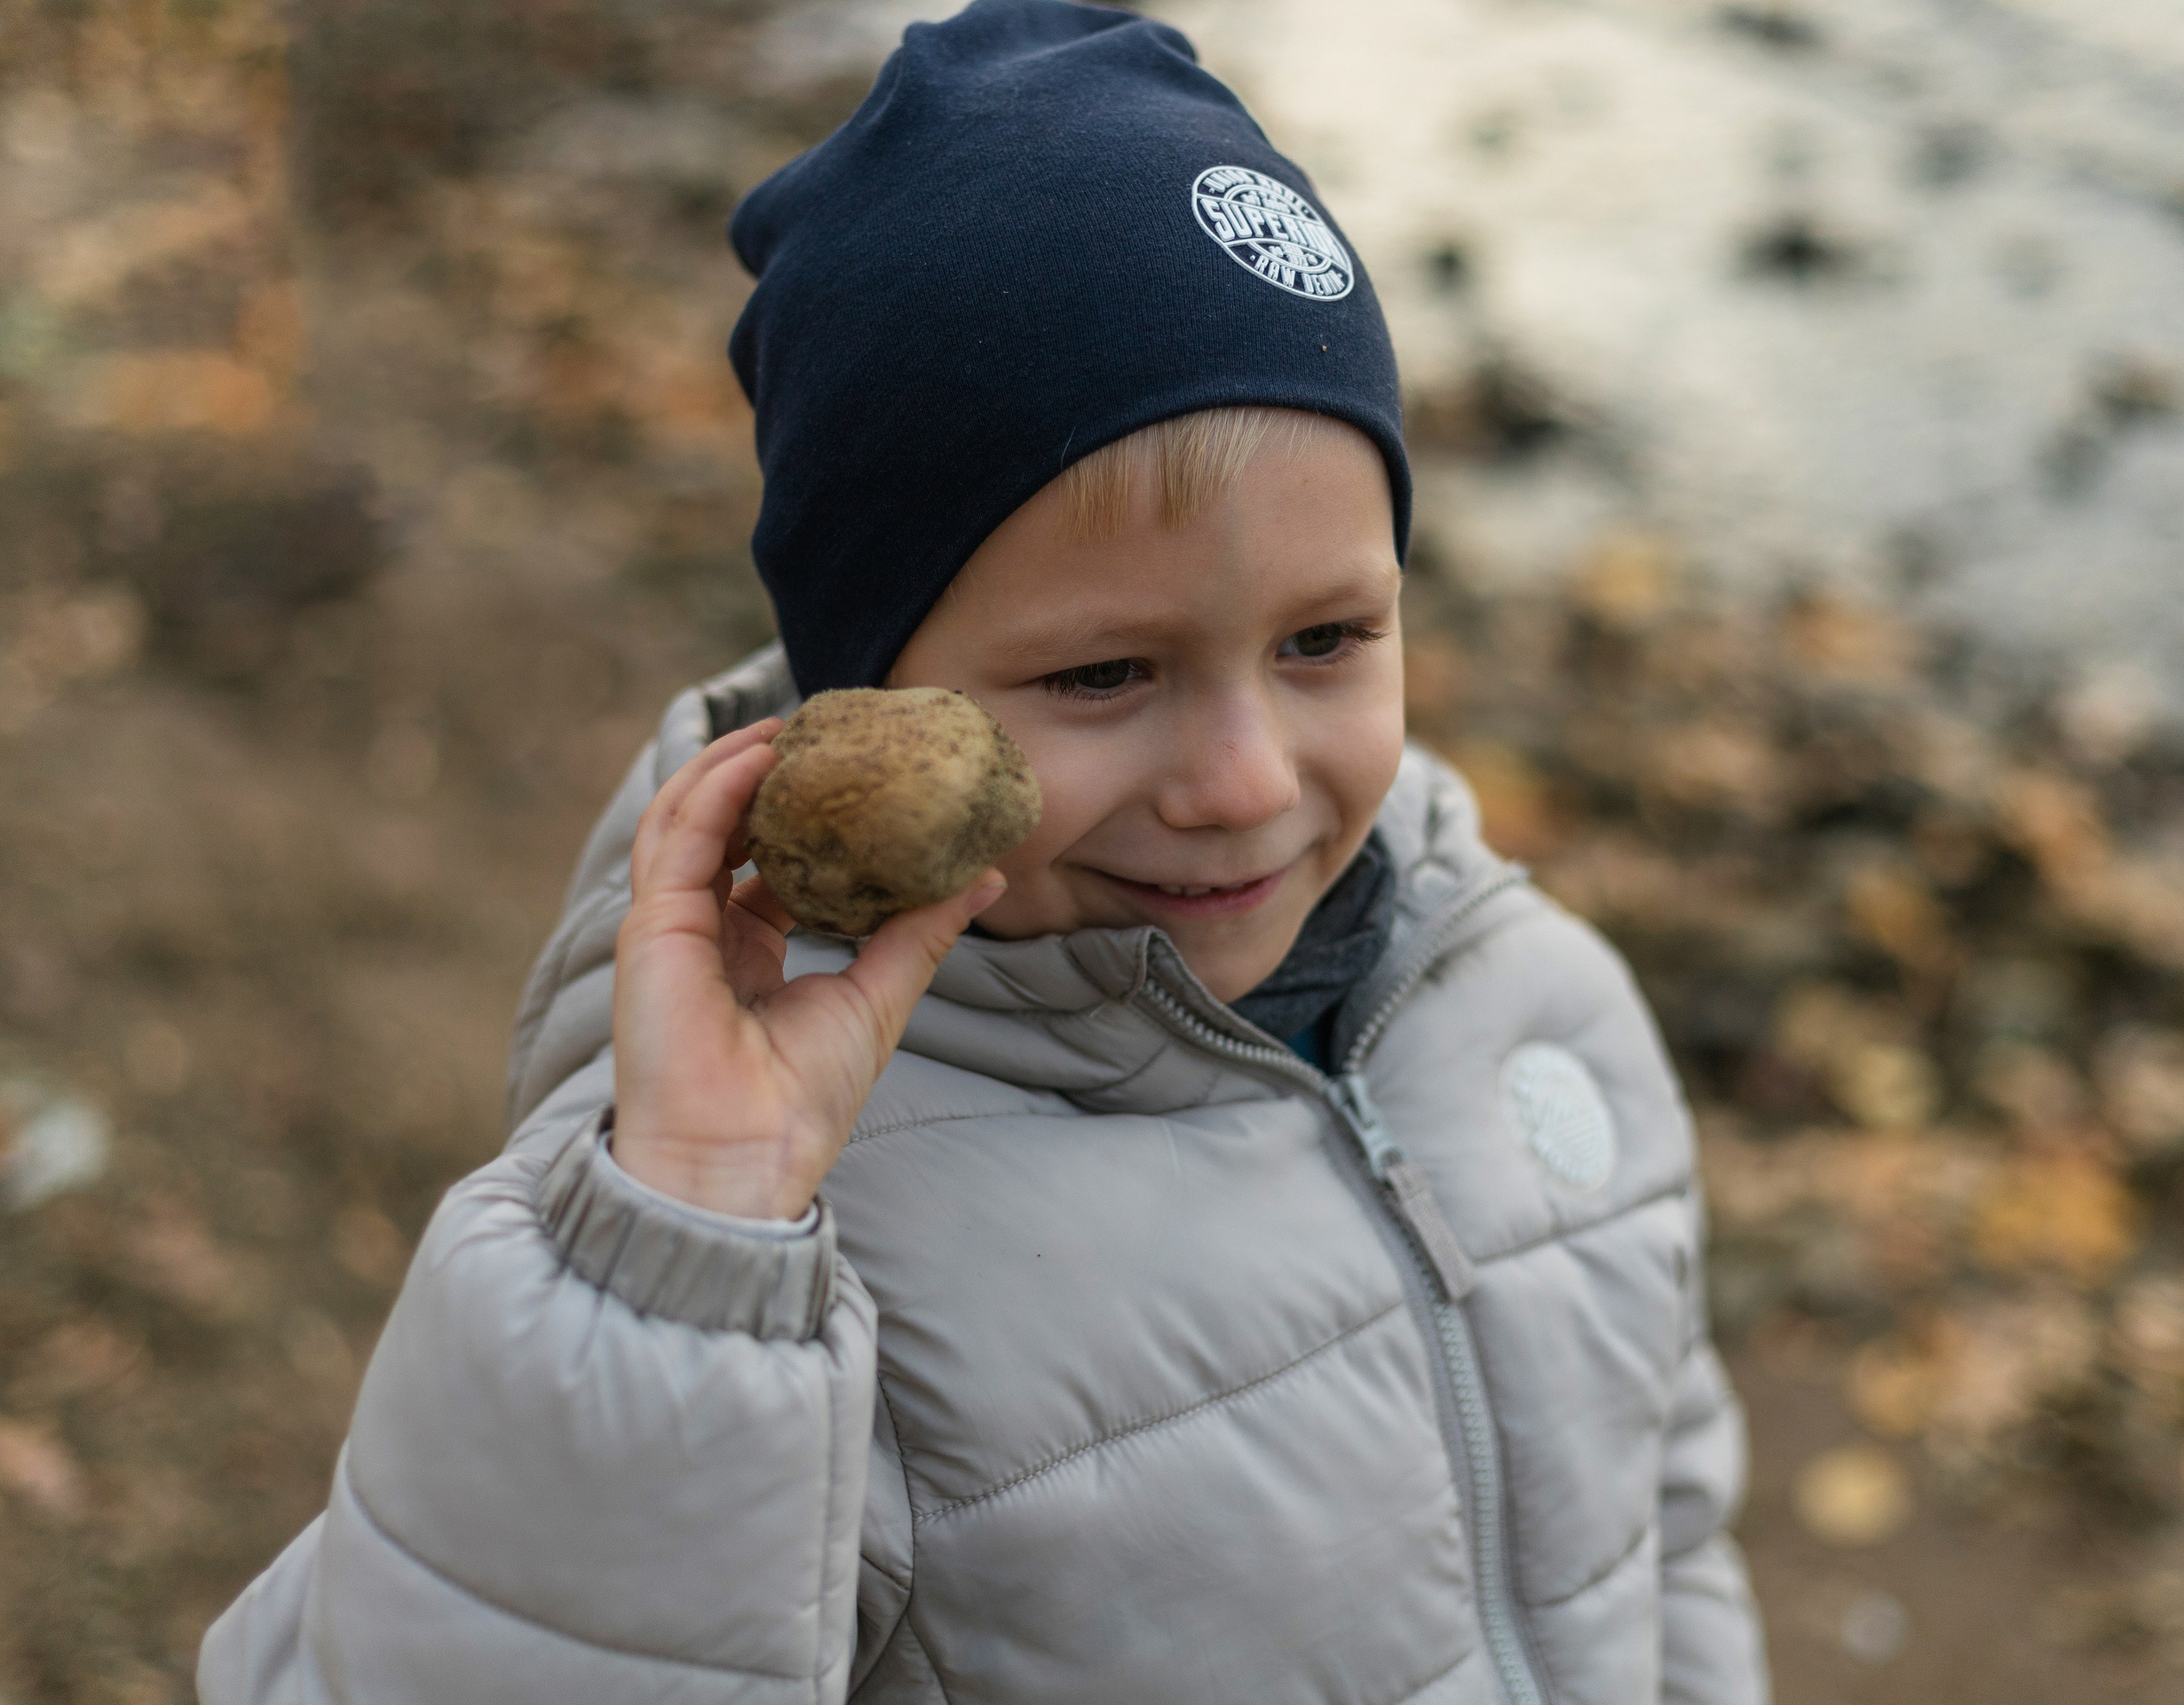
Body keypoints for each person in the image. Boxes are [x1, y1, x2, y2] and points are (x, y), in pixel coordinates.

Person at [199, 4, 1768, 1701]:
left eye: (1326, 640)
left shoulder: (1539, 1001)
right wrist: (687, 1255)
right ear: (870, 712)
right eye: (1104, 675)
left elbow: (1663, 1536)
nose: (1242, 781)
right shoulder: (754, 1215)